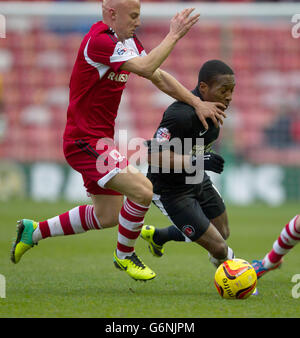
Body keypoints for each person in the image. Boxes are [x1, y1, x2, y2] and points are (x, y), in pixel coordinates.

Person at [10, 0, 227, 282]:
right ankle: (124, 256)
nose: (138, 21)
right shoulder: (99, 42)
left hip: (100, 141)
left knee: (108, 215)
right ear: (112, 14)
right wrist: (173, 34)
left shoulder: (126, 42)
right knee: (143, 190)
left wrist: (196, 102)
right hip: (83, 141)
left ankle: (34, 231)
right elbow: (149, 67)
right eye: (134, 16)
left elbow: (158, 77)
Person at [141, 59, 236, 269]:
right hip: (170, 191)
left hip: (196, 179)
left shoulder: (214, 114)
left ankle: (160, 236)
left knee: (223, 232)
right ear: (203, 87)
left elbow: (195, 152)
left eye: (232, 90)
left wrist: (199, 162)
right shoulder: (180, 114)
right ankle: (234, 279)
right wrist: (198, 160)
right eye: (224, 90)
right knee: (219, 248)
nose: (229, 96)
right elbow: (151, 155)